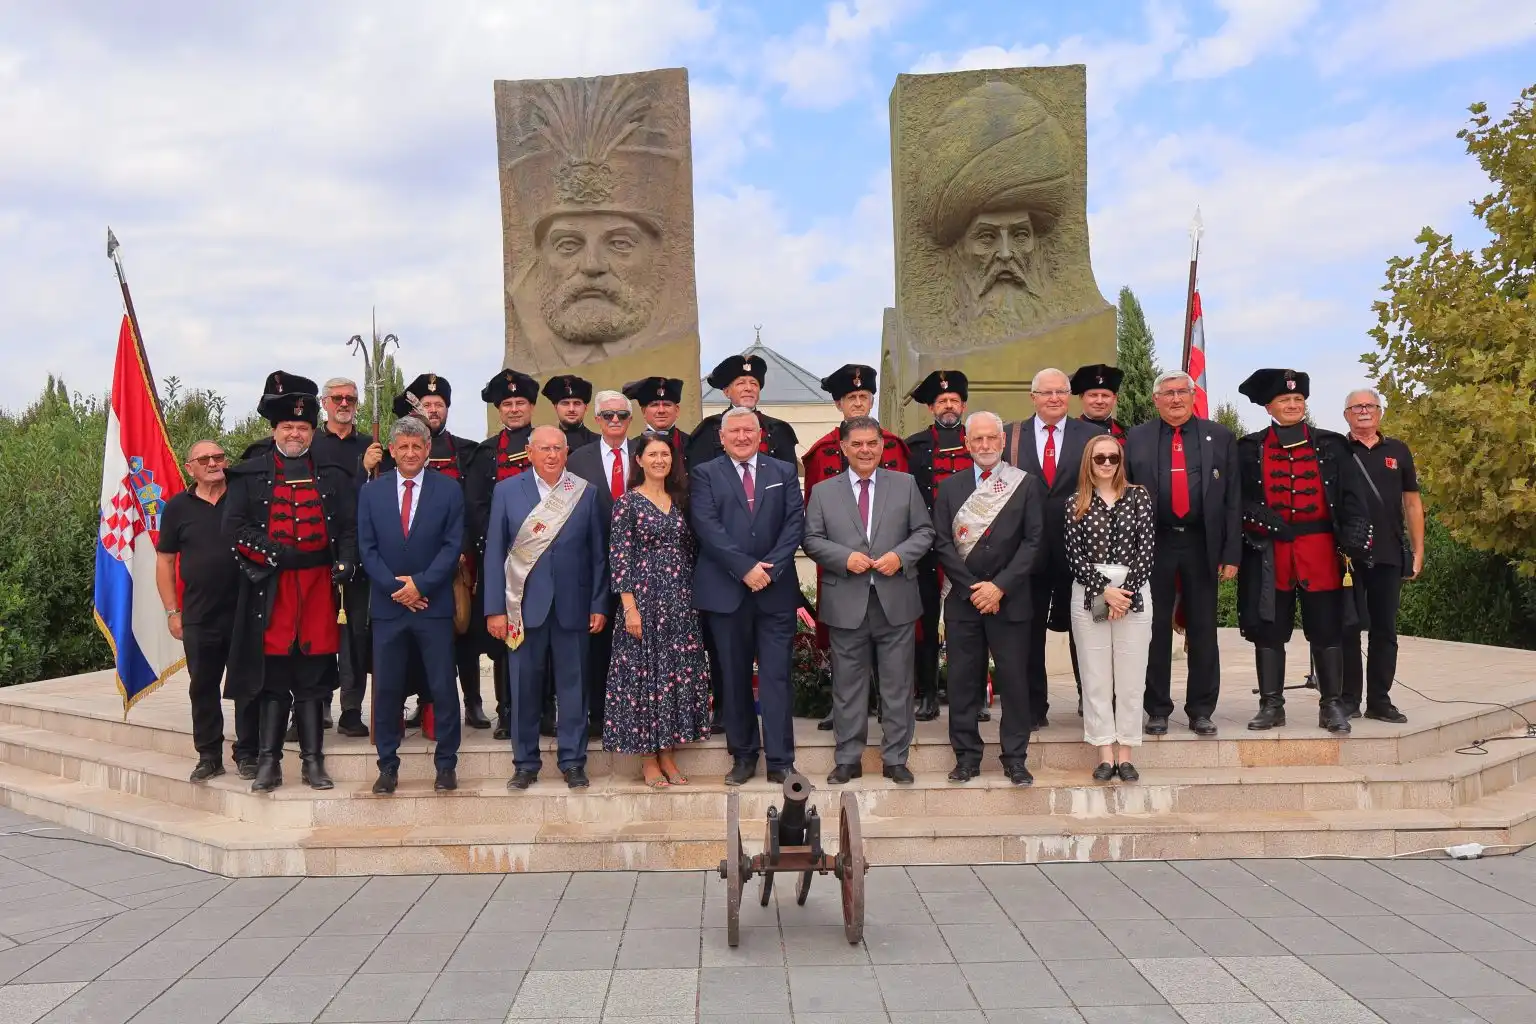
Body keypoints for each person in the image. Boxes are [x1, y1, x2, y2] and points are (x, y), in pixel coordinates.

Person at [223, 391, 356, 793]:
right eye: (287, 427)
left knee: (314, 678)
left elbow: (349, 528)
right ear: (275, 430)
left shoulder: (333, 473)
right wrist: (276, 554)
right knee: (273, 679)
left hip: (318, 588)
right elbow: (235, 529)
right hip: (273, 589)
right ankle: (269, 763)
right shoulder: (249, 474)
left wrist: (347, 561)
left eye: (302, 427)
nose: (295, 433)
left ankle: (313, 763)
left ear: (312, 432)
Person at [1237, 369, 1373, 735]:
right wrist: (1258, 517)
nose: (1293, 405)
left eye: (1298, 400)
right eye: (1285, 400)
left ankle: (1331, 705)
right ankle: (1271, 705)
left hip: (1321, 551)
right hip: (1270, 554)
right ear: (1269, 406)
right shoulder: (1249, 449)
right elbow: (1238, 499)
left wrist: (1357, 535)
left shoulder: (1331, 445)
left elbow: (1351, 497)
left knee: (1328, 630)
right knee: (1269, 630)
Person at [802, 416, 934, 785]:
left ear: (882, 445)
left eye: (872, 443)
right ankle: (847, 758)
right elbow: (810, 539)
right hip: (847, 602)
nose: (865, 450)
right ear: (843, 448)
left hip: (896, 601)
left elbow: (924, 531)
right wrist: (843, 558)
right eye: (857, 444)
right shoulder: (824, 491)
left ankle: (896, 758)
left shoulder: (905, 485)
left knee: (897, 686)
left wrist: (901, 556)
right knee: (848, 686)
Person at [484, 426, 609, 790]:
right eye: (544, 449)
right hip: (522, 606)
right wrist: (495, 609)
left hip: (574, 605)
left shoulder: (584, 493)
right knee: (523, 688)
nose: (552, 455)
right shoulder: (507, 491)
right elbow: (494, 553)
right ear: (530, 452)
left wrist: (599, 602)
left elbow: (598, 556)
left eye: (558, 448)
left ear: (567, 452)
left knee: (574, 687)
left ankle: (573, 761)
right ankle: (525, 763)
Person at [691, 407, 806, 785]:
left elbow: (794, 524)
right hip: (727, 593)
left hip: (775, 592)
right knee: (733, 676)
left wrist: (768, 568)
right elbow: (707, 528)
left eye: (748, 430)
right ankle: (742, 756)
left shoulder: (783, 472)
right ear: (722, 438)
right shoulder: (705, 474)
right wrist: (744, 569)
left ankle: (780, 760)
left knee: (776, 677)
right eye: (734, 431)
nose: (742, 437)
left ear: (760, 435)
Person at [1124, 371, 1240, 737]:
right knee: (1153, 629)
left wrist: (1232, 553)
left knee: (1204, 630)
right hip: (1152, 545)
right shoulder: (1137, 437)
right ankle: (1156, 709)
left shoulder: (1219, 436)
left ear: (1193, 397)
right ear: (1155, 400)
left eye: (1182, 392)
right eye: (1167, 393)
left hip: (1201, 544)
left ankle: (1201, 709)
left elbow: (1234, 498)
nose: (1175, 399)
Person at [933, 411, 1045, 784]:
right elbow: (943, 544)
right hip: (965, 601)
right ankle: (967, 757)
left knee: (1014, 682)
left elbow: (1033, 542)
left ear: (1001, 442)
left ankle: (1015, 757)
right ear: (966, 444)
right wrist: (972, 587)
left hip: (1010, 600)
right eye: (977, 439)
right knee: (963, 682)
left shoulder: (1025, 484)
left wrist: (1000, 586)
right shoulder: (950, 487)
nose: (984, 446)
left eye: (991, 439)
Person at [357, 416, 466, 793]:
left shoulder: (449, 490)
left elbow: (453, 547)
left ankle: (447, 763)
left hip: (432, 606)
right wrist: (396, 588)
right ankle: (387, 765)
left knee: (442, 685)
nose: (409, 453)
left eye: (416, 447)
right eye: (402, 447)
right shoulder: (371, 492)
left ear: (427, 450)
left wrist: (421, 585)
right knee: (387, 688)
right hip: (388, 609)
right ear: (392, 450)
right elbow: (366, 549)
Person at [801, 364, 911, 730]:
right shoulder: (821, 453)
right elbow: (812, 522)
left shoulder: (894, 446)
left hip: (891, 576)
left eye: (865, 397)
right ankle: (846, 710)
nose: (859, 404)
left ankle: (888, 713)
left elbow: (913, 518)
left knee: (896, 665)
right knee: (845, 651)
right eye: (852, 398)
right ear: (839, 404)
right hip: (842, 571)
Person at [605, 432, 712, 787]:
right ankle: (648, 759)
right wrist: (629, 608)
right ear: (639, 460)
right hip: (644, 601)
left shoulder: (680, 500)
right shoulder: (627, 503)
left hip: (680, 601)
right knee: (646, 678)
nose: (659, 460)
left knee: (673, 676)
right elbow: (619, 559)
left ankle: (668, 753)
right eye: (652, 454)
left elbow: (692, 551)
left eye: (665, 454)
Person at [386, 374, 489, 735]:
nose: (433, 410)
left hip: (458, 557)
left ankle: (473, 700)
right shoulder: (400, 451)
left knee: (464, 629)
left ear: (446, 409)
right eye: (426, 405)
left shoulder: (466, 450)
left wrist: (459, 552)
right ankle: (421, 701)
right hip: (415, 563)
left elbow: (471, 506)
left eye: (438, 405)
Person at [1003, 368, 1106, 727]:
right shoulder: (1009, 436)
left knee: (1089, 629)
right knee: (1028, 632)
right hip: (1026, 553)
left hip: (1081, 551)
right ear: (1033, 397)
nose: (1054, 398)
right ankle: (1034, 708)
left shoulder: (1093, 437)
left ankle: (1091, 702)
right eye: (1046, 392)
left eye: (1061, 392)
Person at [155, 440, 256, 781]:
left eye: (218, 457)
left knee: (247, 685)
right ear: (190, 467)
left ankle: (248, 754)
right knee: (203, 686)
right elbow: (165, 561)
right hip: (199, 614)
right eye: (205, 459)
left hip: (245, 611)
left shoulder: (244, 498)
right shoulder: (177, 508)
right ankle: (209, 755)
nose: (214, 463)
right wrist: (172, 611)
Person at [1065, 435, 1155, 782]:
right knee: (1096, 677)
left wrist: (1124, 593)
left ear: (1120, 462)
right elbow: (1074, 556)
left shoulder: (1139, 497)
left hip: (1134, 592)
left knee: (1131, 678)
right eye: (1099, 458)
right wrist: (1106, 592)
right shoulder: (1076, 502)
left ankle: (1127, 753)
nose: (1106, 464)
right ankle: (1104, 752)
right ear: (1089, 461)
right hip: (1090, 593)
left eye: (1112, 458)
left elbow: (1147, 549)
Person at [465, 369, 539, 740]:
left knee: (544, 633)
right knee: (503, 637)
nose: (513, 409)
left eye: (520, 402)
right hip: (504, 557)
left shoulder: (548, 445)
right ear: (499, 410)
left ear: (531, 406)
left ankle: (544, 709)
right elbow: (476, 505)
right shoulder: (486, 453)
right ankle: (507, 710)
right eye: (507, 404)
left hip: (544, 557)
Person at [1341, 389, 1422, 723]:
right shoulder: (1336, 450)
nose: (1363, 411)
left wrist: (1418, 550)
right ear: (1346, 414)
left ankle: (1379, 700)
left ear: (1380, 412)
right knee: (1346, 627)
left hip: (1388, 553)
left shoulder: (1398, 451)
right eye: (1356, 406)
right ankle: (1347, 700)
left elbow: (1413, 502)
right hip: (1345, 556)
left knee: (1385, 630)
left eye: (1370, 406)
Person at [904, 369, 974, 723]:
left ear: (963, 404)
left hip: (972, 550)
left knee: (972, 625)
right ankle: (928, 694)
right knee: (926, 624)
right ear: (931, 407)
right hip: (929, 549)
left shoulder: (979, 442)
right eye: (941, 401)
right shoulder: (914, 447)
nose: (948, 405)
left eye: (954, 400)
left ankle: (972, 697)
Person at [567, 389, 633, 737]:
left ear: (630, 420)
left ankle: (633, 714)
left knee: (637, 642)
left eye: (621, 415)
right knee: (595, 643)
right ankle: (596, 715)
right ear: (597, 420)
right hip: (592, 565)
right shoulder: (577, 460)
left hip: (641, 568)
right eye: (608, 415)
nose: (615, 421)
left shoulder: (645, 454)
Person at [314, 376, 378, 738]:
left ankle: (351, 710)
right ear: (325, 403)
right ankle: (316, 703)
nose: (344, 403)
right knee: (317, 631)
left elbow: (376, 501)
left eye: (350, 398)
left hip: (359, 554)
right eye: (337, 397)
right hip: (317, 553)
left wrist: (369, 468)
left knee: (355, 635)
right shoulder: (310, 444)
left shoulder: (371, 446)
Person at [687, 352, 800, 467]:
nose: (749, 388)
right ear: (727, 392)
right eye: (741, 383)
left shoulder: (779, 429)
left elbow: (789, 477)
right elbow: (699, 478)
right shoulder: (709, 429)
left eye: (754, 384)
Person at [624, 376, 691, 466]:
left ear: (677, 410)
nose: (661, 410)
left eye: (667, 405)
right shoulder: (631, 448)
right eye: (654, 405)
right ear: (643, 411)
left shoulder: (692, 444)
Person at [1071, 364, 1128, 443]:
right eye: (1093, 395)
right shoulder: (1068, 433)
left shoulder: (1127, 435)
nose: (1099, 401)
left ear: (1114, 399)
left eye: (1105, 396)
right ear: (1081, 397)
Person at [543, 373, 599, 451]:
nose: (571, 409)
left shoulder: (601, 443)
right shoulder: (545, 444)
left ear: (586, 407)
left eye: (577, 403)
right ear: (555, 407)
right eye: (565, 403)